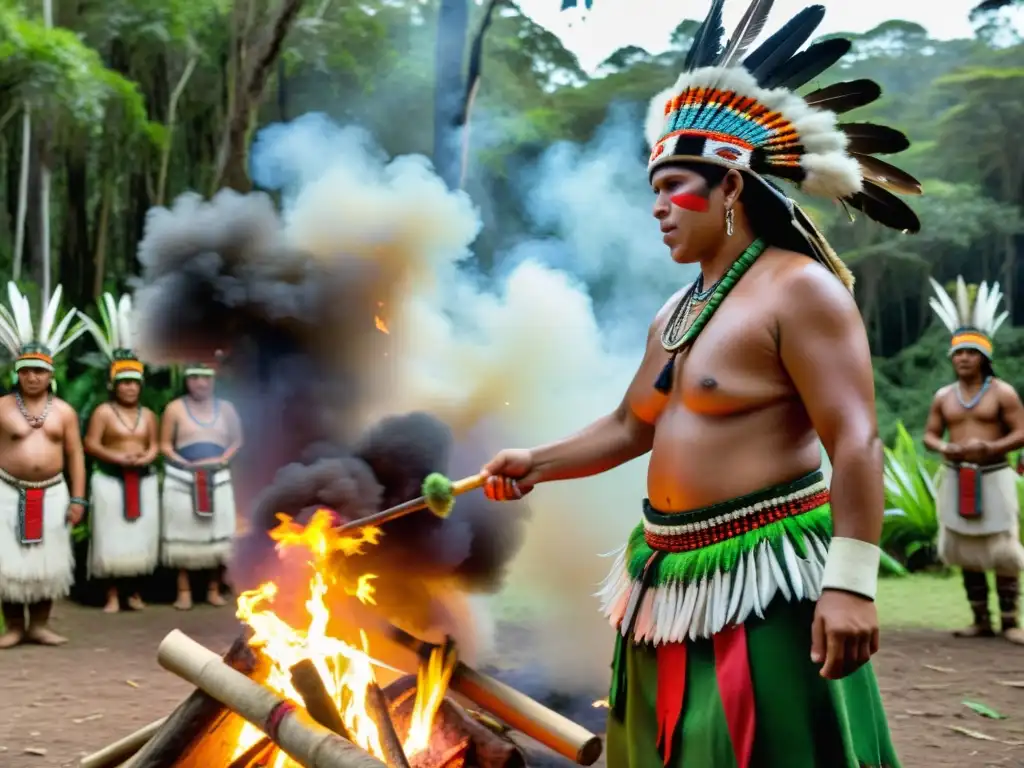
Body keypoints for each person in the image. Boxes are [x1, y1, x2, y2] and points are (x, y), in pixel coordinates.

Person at [481, 2, 923, 765]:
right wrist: (538, 460)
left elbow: (853, 439)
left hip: (765, 577)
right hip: (663, 580)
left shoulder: (800, 291)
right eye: (653, 189)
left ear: (731, 190)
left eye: (678, 186)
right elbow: (631, 425)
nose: (658, 206)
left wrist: (851, 583)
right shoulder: (674, 313)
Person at [923, 276, 1024, 644]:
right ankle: (980, 618)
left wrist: (991, 448)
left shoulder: (1003, 393)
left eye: (970, 352)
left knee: (1002, 547)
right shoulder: (944, 396)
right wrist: (945, 448)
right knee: (964, 546)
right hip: (956, 476)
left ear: (984, 356)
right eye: (958, 353)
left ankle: (1011, 621)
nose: (963, 358)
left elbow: (1021, 432)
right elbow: (930, 435)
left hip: (994, 475)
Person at [0, 284, 88, 648]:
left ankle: (39, 624)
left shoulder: (64, 412)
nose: (33, 377)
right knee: (8, 561)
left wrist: (78, 500)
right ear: (17, 373)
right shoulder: (2, 406)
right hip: (6, 490)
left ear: (51, 374)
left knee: (48, 560)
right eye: (27, 371)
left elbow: (76, 455)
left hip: (52, 491)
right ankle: (14, 627)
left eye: (40, 371)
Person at [78, 293, 161, 613]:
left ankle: (134, 592)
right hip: (111, 481)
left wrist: (146, 456)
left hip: (142, 480)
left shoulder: (149, 415)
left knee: (138, 539)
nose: (129, 388)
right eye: (123, 383)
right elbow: (91, 444)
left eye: (134, 383)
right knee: (111, 538)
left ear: (140, 386)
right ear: (114, 386)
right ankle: (111, 593)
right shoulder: (102, 412)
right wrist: (116, 458)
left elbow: (154, 444)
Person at [159, 362, 243, 610]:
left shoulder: (227, 408)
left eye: (206, 377)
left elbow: (238, 440)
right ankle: (183, 590)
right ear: (187, 380)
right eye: (195, 377)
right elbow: (164, 444)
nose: (201, 383)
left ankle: (214, 589)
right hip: (182, 478)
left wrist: (223, 458)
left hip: (218, 477)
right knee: (184, 533)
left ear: (213, 380)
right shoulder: (174, 409)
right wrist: (183, 464)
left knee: (217, 534)